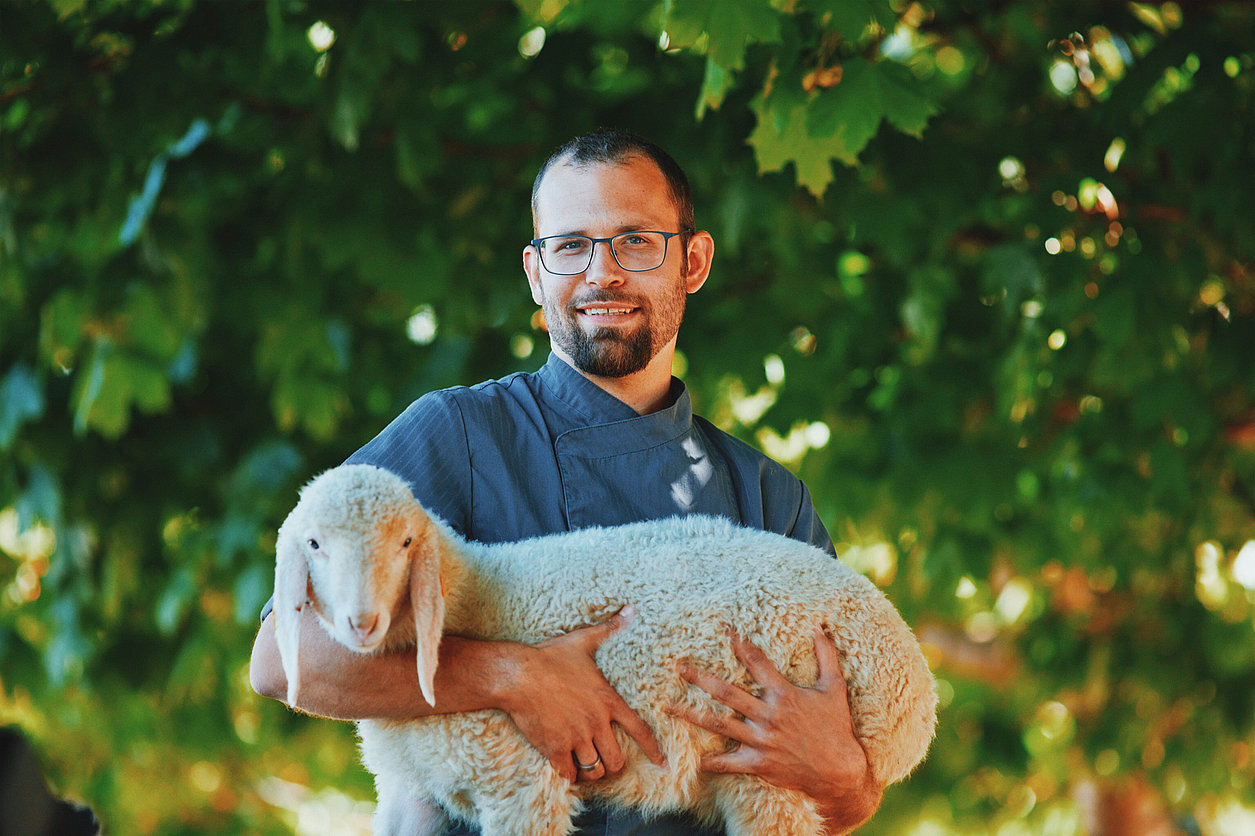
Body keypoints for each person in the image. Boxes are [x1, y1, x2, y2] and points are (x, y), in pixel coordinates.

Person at [250, 129, 882, 834]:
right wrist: (511, 677)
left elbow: (848, 792)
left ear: (694, 261)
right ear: (535, 272)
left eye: (635, 241)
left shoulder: (768, 497)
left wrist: (842, 776)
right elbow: (283, 659)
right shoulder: (457, 434)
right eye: (570, 245)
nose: (600, 273)